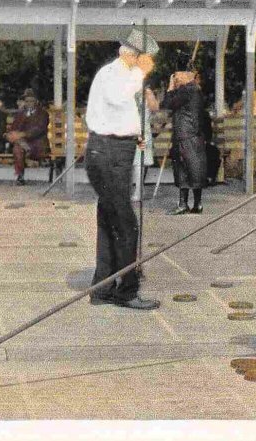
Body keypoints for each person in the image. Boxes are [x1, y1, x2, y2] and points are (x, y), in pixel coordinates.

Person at [84, 28, 160, 310]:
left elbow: (119, 110)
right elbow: (117, 98)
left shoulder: (122, 76)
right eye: (144, 59)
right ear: (130, 54)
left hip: (113, 149)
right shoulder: (113, 74)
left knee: (110, 220)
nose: (147, 63)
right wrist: (140, 73)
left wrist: (134, 133)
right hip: (109, 153)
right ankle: (126, 291)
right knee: (126, 224)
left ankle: (102, 287)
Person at [160, 70, 208, 215]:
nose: (175, 79)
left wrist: (169, 88)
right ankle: (197, 204)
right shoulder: (195, 90)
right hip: (194, 135)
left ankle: (183, 204)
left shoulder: (185, 90)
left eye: (177, 76)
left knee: (183, 169)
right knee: (194, 168)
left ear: (186, 75)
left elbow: (167, 104)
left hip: (184, 135)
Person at [5, 88, 50, 186]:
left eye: (31, 101)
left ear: (36, 101)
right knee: (18, 147)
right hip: (23, 143)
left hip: (38, 142)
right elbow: (14, 128)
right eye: (26, 101)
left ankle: (29, 156)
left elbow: (39, 129)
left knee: (20, 145)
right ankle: (20, 176)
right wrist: (12, 135)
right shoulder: (20, 113)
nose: (29, 103)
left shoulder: (43, 114)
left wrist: (22, 134)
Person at [131, 87, 158, 202]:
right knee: (138, 162)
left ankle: (138, 191)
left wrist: (148, 95)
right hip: (133, 130)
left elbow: (155, 108)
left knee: (140, 162)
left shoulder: (146, 92)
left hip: (143, 131)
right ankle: (139, 189)